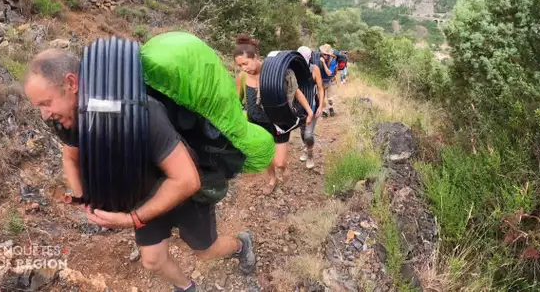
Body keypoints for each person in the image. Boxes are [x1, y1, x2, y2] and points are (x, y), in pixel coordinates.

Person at [24, 48, 256, 292]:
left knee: (205, 250)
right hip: (142, 192)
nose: (44, 114)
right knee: (153, 260)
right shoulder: (67, 117)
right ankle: (187, 288)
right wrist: (85, 198)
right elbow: (70, 156)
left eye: (46, 103)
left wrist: (132, 218)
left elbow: (187, 180)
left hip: (185, 193)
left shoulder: (142, 112)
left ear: (71, 83)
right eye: (39, 106)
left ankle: (242, 244)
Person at [234, 35, 313, 195]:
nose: (243, 68)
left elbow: (295, 91)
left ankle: (283, 169)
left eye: (245, 63)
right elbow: (237, 101)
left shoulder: (274, 73)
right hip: (256, 124)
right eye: (240, 65)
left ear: (255, 57)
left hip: (278, 122)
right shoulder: (242, 78)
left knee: (280, 161)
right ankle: (272, 179)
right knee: (265, 156)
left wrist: (309, 111)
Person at [297, 46, 324, 169]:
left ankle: (310, 156)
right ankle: (306, 148)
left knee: (308, 134)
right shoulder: (293, 69)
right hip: (299, 108)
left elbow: (320, 88)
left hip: (312, 106)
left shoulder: (314, 69)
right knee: (303, 132)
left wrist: (321, 105)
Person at [319, 44, 338, 117]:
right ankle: (324, 111)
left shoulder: (332, 61)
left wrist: (323, 63)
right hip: (320, 81)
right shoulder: (318, 58)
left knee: (330, 98)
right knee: (321, 97)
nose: (325, 56)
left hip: (329, 81)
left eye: (327, 54)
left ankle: (331, 108)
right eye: (324, 54)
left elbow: (329, 73)